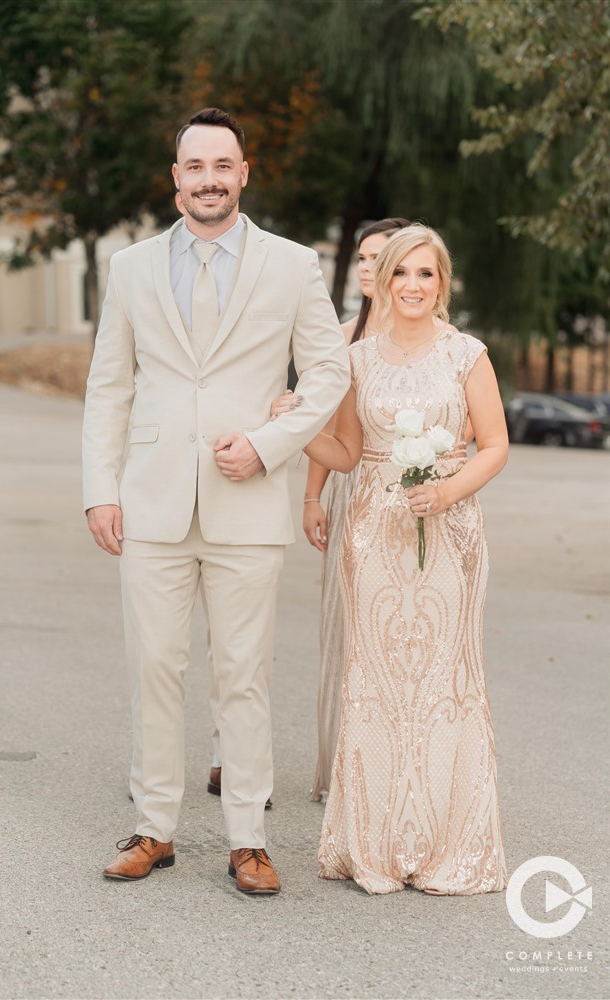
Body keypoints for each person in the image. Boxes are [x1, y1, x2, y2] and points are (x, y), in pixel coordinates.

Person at [83, 107, 350, 894]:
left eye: (221, 165)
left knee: (244, 672)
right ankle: (154, 827)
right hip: (151, 499)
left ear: (243, 172)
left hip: (249, 499)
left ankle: (248, 838)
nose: (208, 179)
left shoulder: (293, 265)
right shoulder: (128, 267)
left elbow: (328, 374)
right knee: (153, 666)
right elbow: (109, 387)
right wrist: (100, 490)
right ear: (175, 179)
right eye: (193, 166)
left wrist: (270, 445)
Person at [303, 224, 508, 894]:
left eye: (425, 274)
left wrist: (446, 490)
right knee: (376, 685)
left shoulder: (466, 355)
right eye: (400, 274)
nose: (412, 286)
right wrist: (298, 429)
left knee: (443, 684)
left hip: (447, 537)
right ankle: (375, 848)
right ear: (383, 280)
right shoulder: (358, 360)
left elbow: (495, 446)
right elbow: (347, 452)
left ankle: (447, 846)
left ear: (441, 282)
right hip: (373, 535)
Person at [302, 218, 411, 802]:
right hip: (353, 485)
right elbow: (329, 427)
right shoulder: (343, 339)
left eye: (379, 258)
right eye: (363, 259)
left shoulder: (431, 335)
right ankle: (346, 764)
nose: (367, 268)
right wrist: (313, 495)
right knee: (349, 626)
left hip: (414, 488)